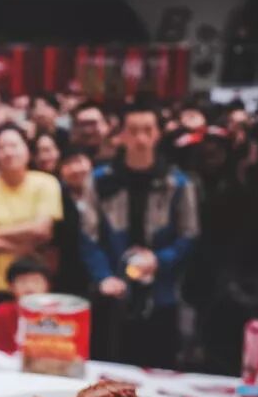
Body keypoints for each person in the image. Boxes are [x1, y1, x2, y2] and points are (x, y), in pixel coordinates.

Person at [79, 104, 199, 368]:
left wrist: (159, 259)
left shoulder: (177, 183)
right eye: (133, 131)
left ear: (157, 134)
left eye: (147, 130)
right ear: (121, 135)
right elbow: (88, 236)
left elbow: (189, 235)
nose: (141, 139)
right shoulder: (99, 180)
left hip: (161, 292)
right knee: (108, 370)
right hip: (113, 292)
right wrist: (103, 276)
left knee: (159, 367)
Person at [0, 123, 63, 302]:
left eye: (14, 145)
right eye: (1, 147)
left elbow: (40, 228)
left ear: (28, 150)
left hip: (34, 285)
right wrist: (17, 247)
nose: (8, 152)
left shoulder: (46, 183)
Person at [0, 256, 51, 353]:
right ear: (11, 287)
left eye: (36, 281)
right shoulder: (3, 312)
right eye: (23, 281)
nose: (30, 288)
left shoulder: (57, 312)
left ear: (47, 285)